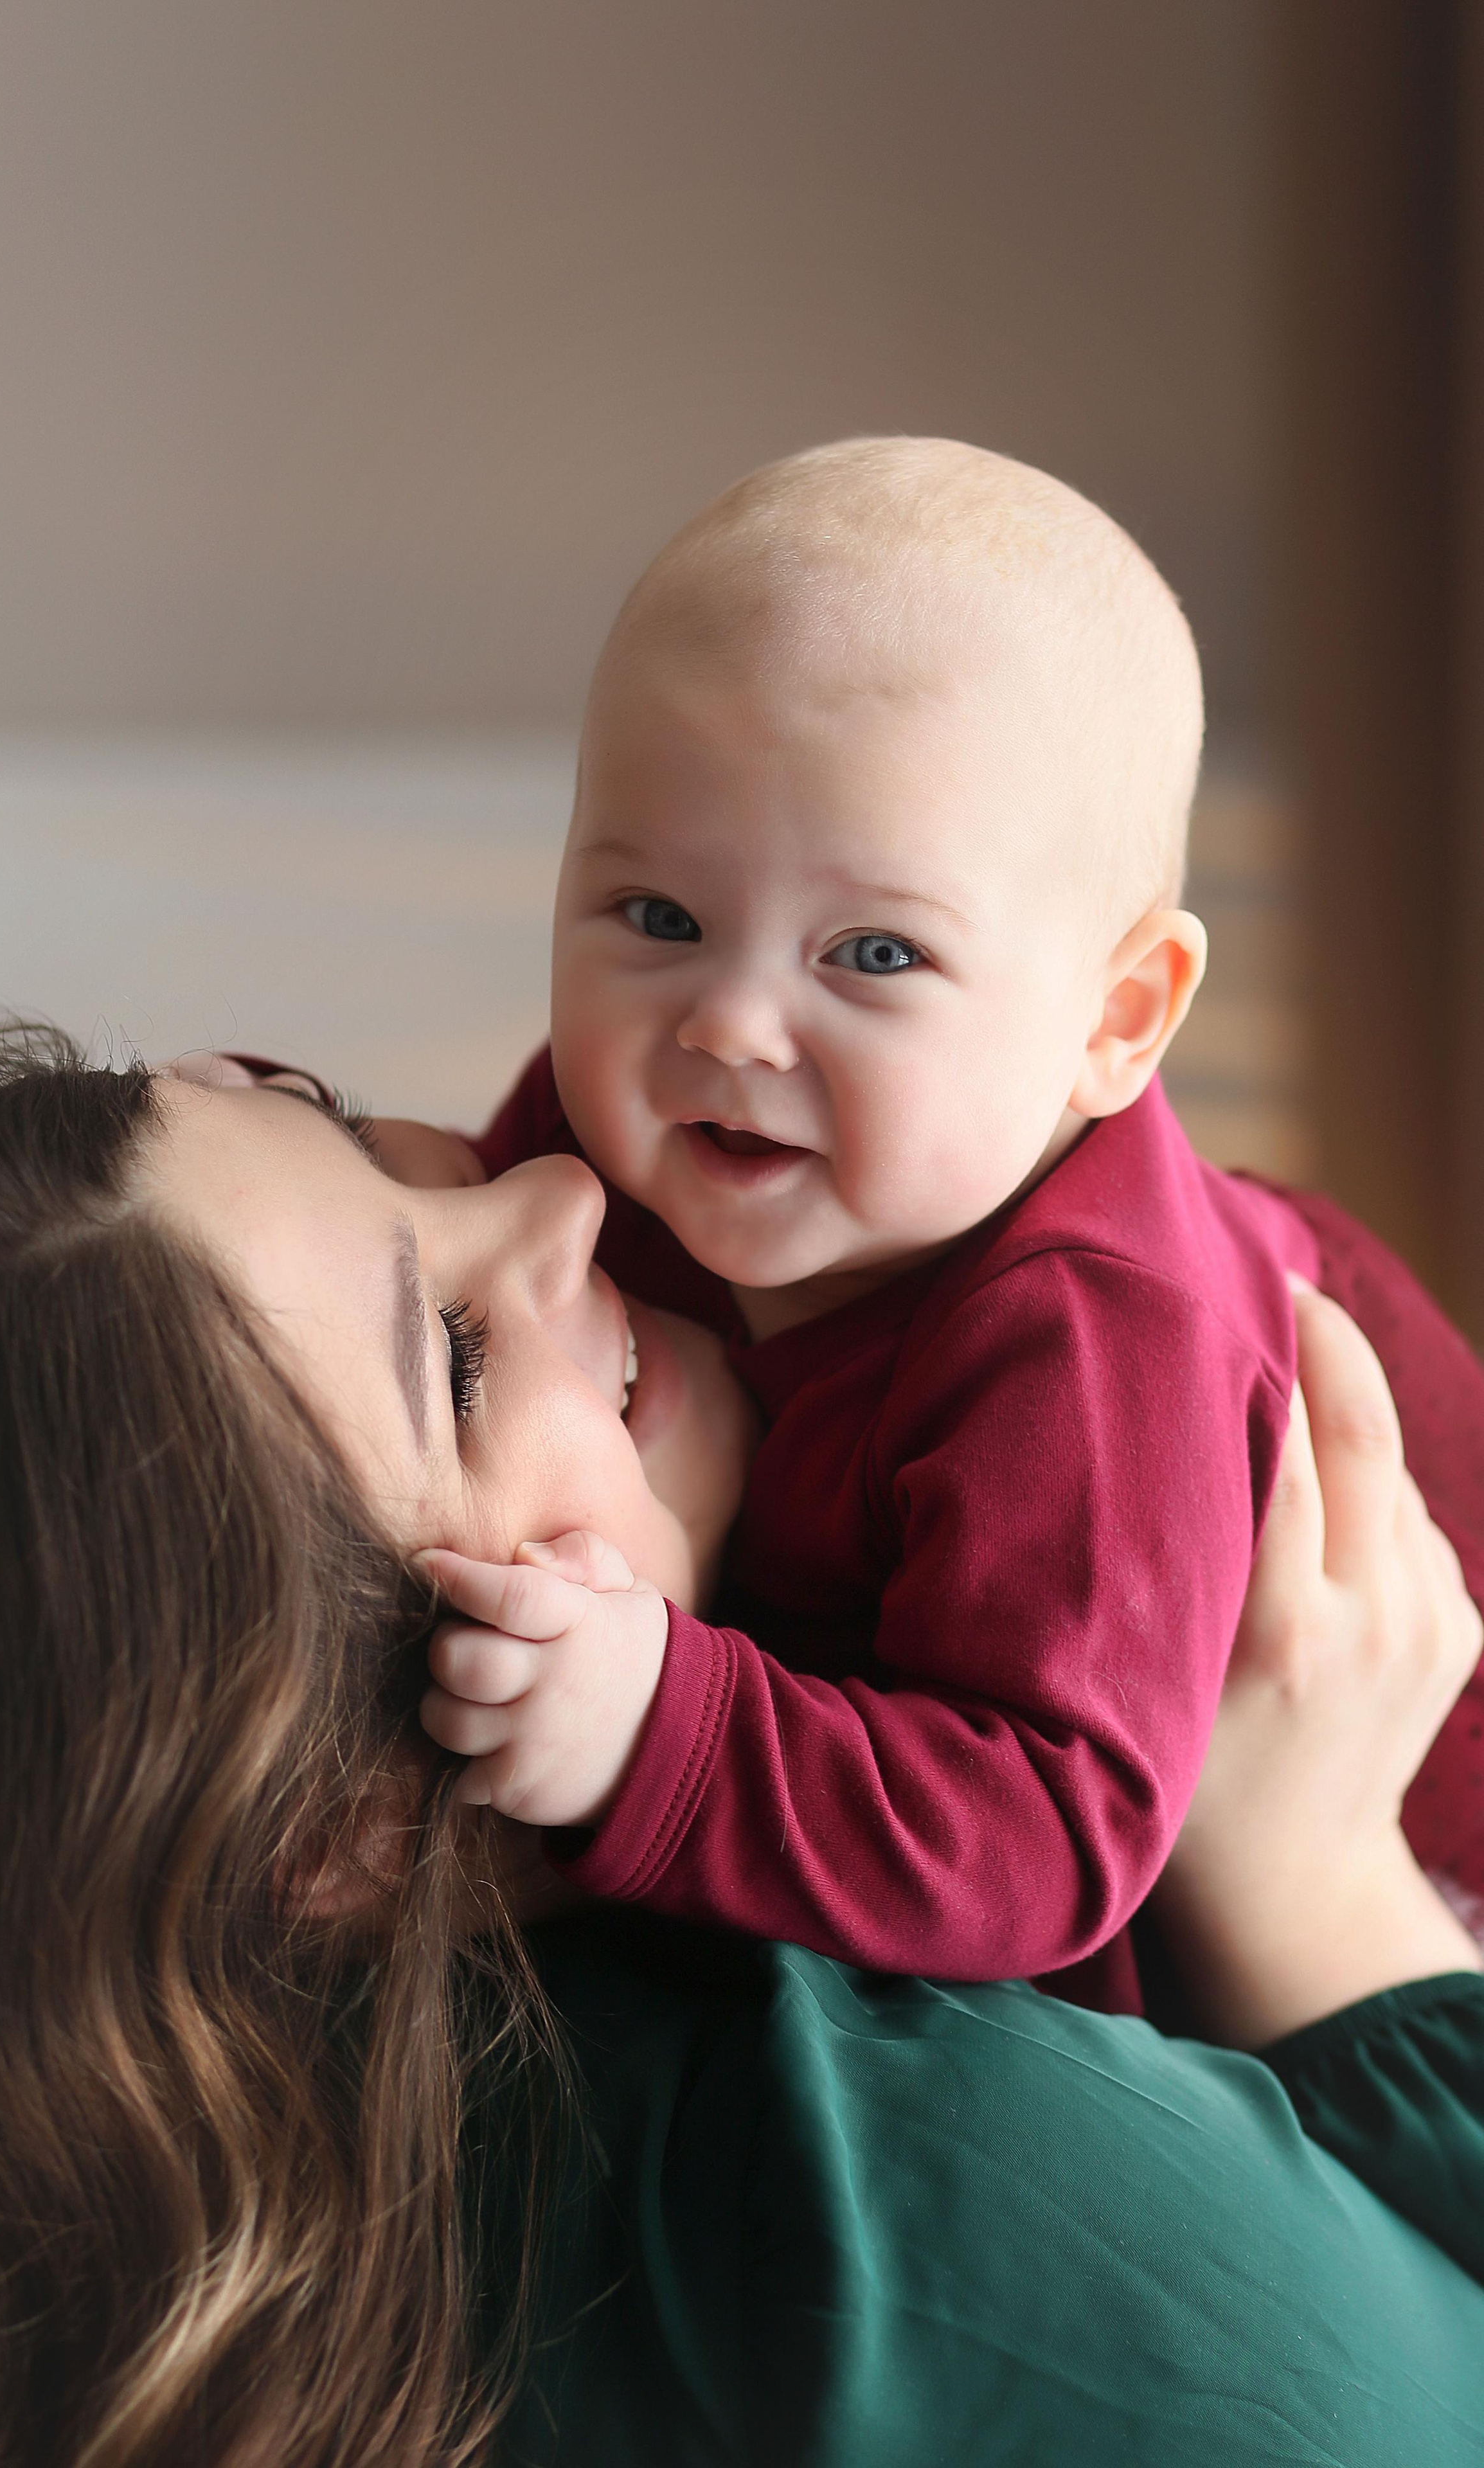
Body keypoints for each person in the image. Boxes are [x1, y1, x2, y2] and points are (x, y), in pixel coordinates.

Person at [0, 1026, 1484, 2468]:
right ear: (324, 1835)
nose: (556, 1189)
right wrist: (1321, 1902)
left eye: (346, 1126)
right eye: (461, 1360)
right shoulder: (872, 2202)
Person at [343, 436, 1484, 2012]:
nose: (731, 1023)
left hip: (1384, 1888)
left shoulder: (1090, 1336)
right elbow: (436, 1262)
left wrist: (656, 1732)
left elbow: (1040, 1834)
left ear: (1115, 1018)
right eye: (657, 919)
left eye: (871, 956)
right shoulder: (634, 1124)